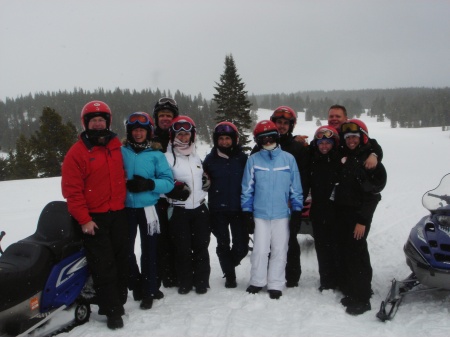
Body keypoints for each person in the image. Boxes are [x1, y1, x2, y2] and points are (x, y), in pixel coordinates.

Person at [61, 100, 128, 330]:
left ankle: (118, 300)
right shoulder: (77, 152)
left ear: (108, 122)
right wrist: (84, 219)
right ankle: (112, 311)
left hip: (118, 214)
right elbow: (72, 191)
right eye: (94, 120)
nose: (98, 124)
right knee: (103, 265)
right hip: (94, 219)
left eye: (102, 119)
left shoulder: (117, 147)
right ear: (86, 123)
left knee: (121, 259)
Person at [242, 120, 303, 300]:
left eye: (271, 137)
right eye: (263, 139)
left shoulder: (288, 159)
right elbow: (247, 188)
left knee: (280, 249)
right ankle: (257, 280)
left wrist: (297, 211)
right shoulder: (253, 160)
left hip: (281, 214)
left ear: (277, 137)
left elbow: (295, 188)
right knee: (260, 250)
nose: (267, 141)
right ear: (258, 141)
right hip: (260, 214)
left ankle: (276, 283)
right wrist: (247, 212)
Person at [121, 112, 174, 310]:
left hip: (148, 210)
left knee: (150, 251)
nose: (138, 133)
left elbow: (168, 183)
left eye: (142, 130)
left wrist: (148, 184)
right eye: (134, 130)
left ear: (148, 132)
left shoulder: (156, 155)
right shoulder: (121, 152)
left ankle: (149, 290)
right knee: (125, 251)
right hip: (125, 209)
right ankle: (136, 284)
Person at [334, 119, 387, 315]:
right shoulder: (346, 155)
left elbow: (373, 195)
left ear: (362, 137)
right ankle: (353, 289)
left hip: (359, 216)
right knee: (347, 251)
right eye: (348, 138)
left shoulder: (369, 160)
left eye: (355, 137)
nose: (351, 141)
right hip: (344, 213)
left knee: (358, 254)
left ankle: (363, 297)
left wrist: (362, 221)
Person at [165, 115, 211, 295]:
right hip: (179, 210)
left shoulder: (195, 156)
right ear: (173, 135)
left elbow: (199, 177)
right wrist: (173, 189)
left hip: (199, 208)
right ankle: (184, 280)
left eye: (187, 134)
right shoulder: (166, 158)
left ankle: (201, 281)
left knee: (201, 246)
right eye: (180, 134)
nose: (183, 138)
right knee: (182, 248)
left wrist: (206, 181)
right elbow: (162, 184)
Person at [203, 121, 249, 288]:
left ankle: (230, 263)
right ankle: (230, 276)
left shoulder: (243, 158)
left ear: (234, 139)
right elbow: (203, 181)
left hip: (238, 208)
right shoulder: (210, 159)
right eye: (221, 138)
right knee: (223, 243)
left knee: (242, 246)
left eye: (227, 139)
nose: (224, 142)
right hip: (218, 209)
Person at [269, 106, 310, 287]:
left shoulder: (298, 147)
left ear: (291, 125)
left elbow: (304, 177)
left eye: (286, 123)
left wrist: (296, 200)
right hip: (268, 203)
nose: (282, 126)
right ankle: (272, 272)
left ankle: (292, 276)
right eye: (279, 122)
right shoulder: (264, 143)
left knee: (290, 239)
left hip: (290, 203)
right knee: (271, 240)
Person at [309, 125, 341, 291]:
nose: (324, 146)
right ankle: (326, 280)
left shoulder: (341, 159)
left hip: (337, 212)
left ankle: (340, 278)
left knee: (337, 246)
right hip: (318, 211)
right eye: (321, 143)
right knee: (322, 247)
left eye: (328, 143)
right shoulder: (312, 159)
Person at [152, 97, 180, 288]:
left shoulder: (181, 136)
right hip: (156, 197)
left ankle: (180, 270)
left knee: (178, 236)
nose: (165, 119)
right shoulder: (148, 137)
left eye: (168, 115)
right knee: (159, 238)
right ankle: (165, 273)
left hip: (178, 197)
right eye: (161, 115)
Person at [327, 104, 382, 169]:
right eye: (331, 116)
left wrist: (374, 155)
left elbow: (370, 144)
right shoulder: (324, 134)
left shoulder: (352, 134)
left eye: (338, 116)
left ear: (346, 119)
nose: (334, 119)